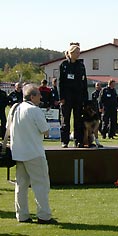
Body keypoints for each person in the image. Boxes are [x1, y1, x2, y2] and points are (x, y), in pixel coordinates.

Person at [8, 84, 57, 224]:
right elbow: (45, 130)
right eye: (39, 94)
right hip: (34, 152)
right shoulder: (34, 110)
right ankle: (44, 215)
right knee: (41, 185)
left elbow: (8, 128)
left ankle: (22, 215)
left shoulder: (14, 108)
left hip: (18, 152)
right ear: (32, 96)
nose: (41, 97)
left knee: (20, 186)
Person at [59, 42, 88, 148]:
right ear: (70, 53)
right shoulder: (64, 65)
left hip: (78, 97)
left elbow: (84, 82)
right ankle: (64, 141)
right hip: (67, 97)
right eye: (76, 52)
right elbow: (60, 82)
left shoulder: (81, 65)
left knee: (78, 120)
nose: (78, 54)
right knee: (65, 119)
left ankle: (78, 140)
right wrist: (61, 97)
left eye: (79, 52)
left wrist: (85, 98)